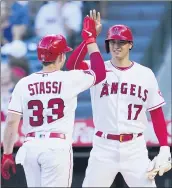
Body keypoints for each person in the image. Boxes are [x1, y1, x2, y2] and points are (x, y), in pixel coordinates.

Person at [66, 10, 172, 187]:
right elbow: (72, 66)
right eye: (112, 42)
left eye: (121, 42)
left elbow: (156, 112)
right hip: (103, 146)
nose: (116, 46)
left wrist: (164, 147)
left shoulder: (145, 74)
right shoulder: (97, 68)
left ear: (130, 44)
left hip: (135, 147)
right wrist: (89, 39)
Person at [1, 16, 106, 187]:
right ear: (60, 57)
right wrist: (91, 40)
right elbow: (100, 72)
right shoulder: (69, 79)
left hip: (30, 147)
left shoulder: (24, 83)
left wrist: (6, 154)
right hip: (56, 147)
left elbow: (12, 122)